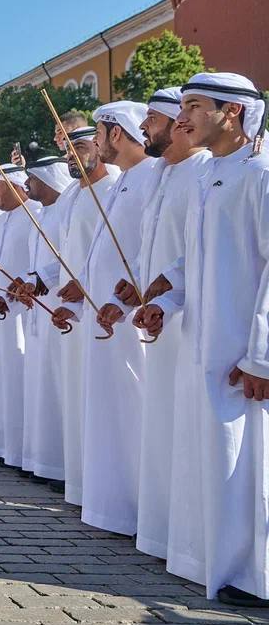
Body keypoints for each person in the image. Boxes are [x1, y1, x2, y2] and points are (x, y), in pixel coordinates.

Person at [137, 71, 269, 607]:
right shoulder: (207, 177)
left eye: (193, 105)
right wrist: (164, 302)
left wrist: (262, 356)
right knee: (212, 455)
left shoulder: (261, 174)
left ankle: (254, 577)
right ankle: (215, 565)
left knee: (249, 461)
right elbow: (195, 260)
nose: (182, 116)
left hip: (243, 351)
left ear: (231, 112)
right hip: (202, 342)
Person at [95, 87, 210, 564]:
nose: (146, 128)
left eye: (154, 121)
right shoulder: (161, 175)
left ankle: (197, 544)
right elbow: (149, 249)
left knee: (187, 430)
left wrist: (163, 288)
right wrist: (133, 290)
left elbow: (197, 254)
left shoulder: (204, 173)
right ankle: (165, 532)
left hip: (194, 322)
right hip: (158, 318)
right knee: (162, 426)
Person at [75, 100, 161, 535]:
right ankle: (113, 506)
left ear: (116, 133)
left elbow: (153, 250)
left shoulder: (150, 179)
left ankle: (137, 509)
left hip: (134, 320)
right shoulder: (123, 182)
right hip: (108, 315)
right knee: (110, 410)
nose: (93, 142)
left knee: (133, 409)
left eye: (98, 131)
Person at [48, 123, 121, 505]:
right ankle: (81, 485)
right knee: (77, 398)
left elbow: (121, 257)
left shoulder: (116, 189)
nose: (71, 156)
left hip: (111, 314)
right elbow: (59, 253)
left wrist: (88, 289)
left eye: (79, 147)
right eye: (67, 150)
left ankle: (111, 493)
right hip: (74, 312)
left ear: (100, 144)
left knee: (110, 404)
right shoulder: (70, 197)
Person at [17, 155, 76, 484]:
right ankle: (44, 462)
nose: (28, 185)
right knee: (42, 386)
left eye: (33, 179)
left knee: (59, 385)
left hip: (65, 307)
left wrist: (41, 281)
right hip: (40, 307)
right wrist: (31, 282)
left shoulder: (66, 208)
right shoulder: (40, 214)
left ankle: (62, 467)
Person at [0, 163, 39, 467]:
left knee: (20, 379)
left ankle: (24, 452)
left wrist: (14, 297)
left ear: (16, 185)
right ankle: (4, 447)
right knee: (0, 377)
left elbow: (36, 267)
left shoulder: (35, 216)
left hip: (24, 314)